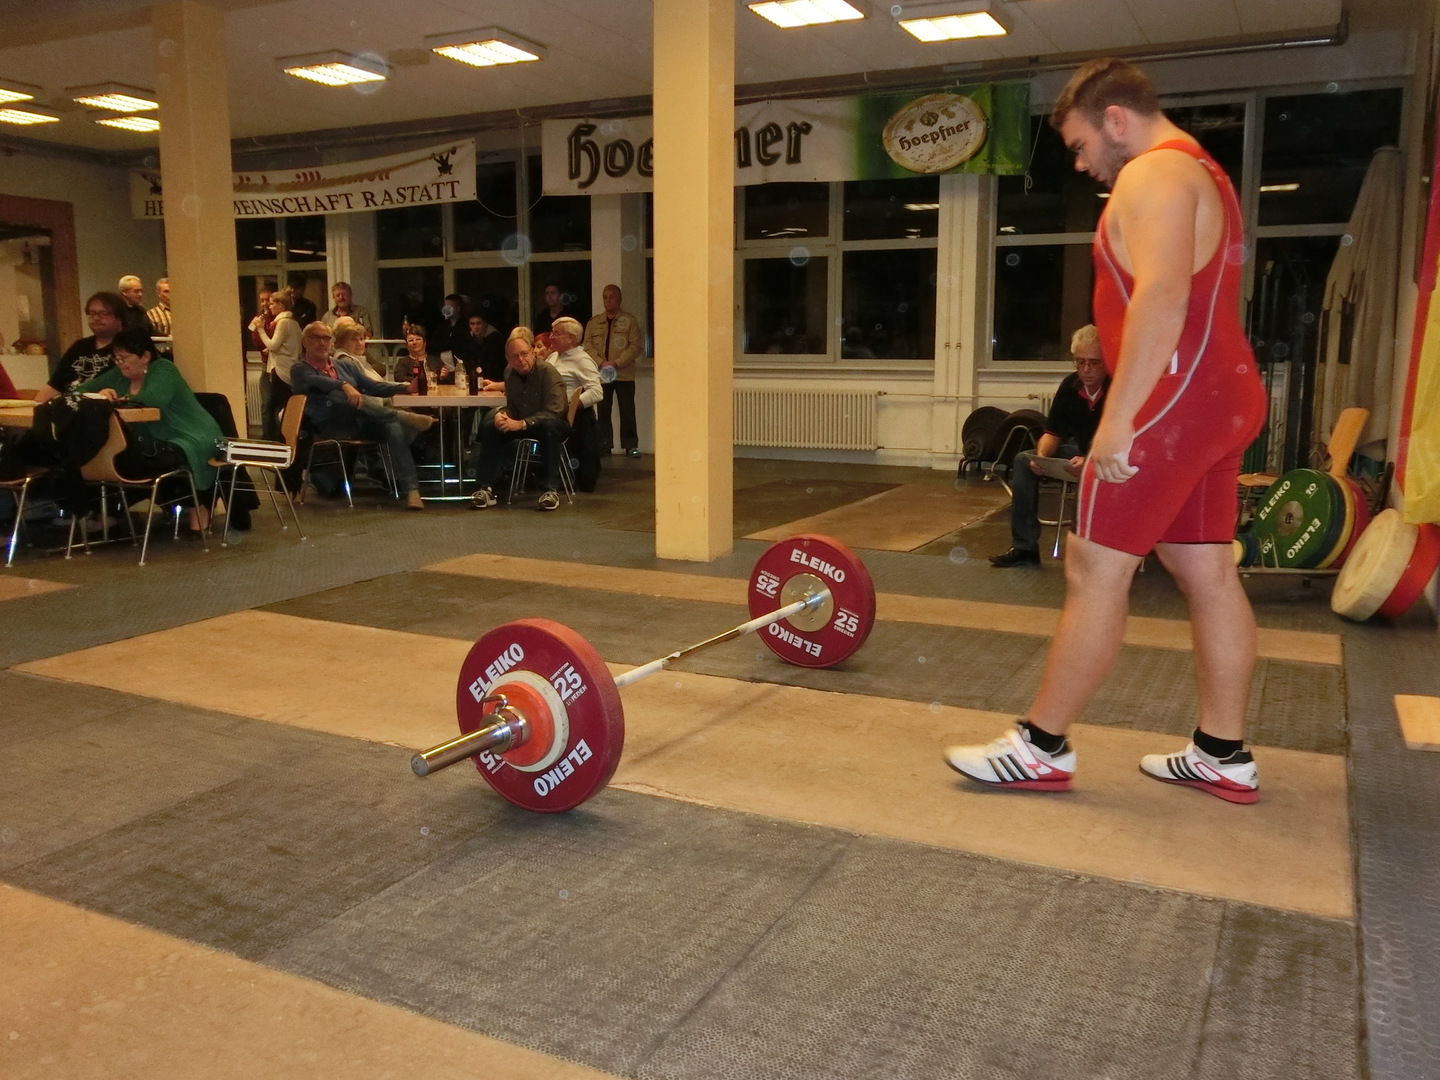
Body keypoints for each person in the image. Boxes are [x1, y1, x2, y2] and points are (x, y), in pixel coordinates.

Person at [945, 58, 1268, 804]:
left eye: (1082, 145)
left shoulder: (1152, 173)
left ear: (1115, 119)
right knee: (1207, 573)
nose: (1082, 164)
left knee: (1093, 566)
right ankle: (1223, 752)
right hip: (1220, 397)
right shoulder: (1203, 170)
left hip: (1172, 403)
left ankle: (1040, 746)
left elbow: (1162, 294)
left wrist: (1119, 419)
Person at [75, 327, 223, 534]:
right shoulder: (120, 374)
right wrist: (100, 393)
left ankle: (198, 508)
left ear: (144, 357)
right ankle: (108, 512)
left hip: (189, 434)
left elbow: (153, 400)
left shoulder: (164, 369)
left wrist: (116, 400)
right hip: (150, 439)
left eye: (124, 358)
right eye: (116, 358)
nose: (119, 363)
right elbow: (79, 392)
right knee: (108, 455)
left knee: (154, 458)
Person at [990, 324, 1110, 567]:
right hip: (1080, 451)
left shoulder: (1119, 386)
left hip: (1112, 455)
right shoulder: (1070, 386)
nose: (1086, 369)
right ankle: (1025, 547)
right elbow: (1053, 432)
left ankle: (1088, 551)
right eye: (1080, 362)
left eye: (1094, 362)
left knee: (1091, 470)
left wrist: (1091, 460)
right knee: (1023, 461)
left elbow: (1128, 437)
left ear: (1107, 361)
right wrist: (1042, 457)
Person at [289, 321, 427, 510]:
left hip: (360, 423)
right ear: (305, 342)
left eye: (326, 338)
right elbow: (317, 381)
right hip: (330, 426)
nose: (321, 343)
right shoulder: (299, 369)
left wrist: (405, 388)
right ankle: (401, 416)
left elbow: (372, 386)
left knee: (391, 426)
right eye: (315, 338)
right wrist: (343, 385)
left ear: (331, 342)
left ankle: (412, 490)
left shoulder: (344, 365)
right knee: (337, 395)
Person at [468, 328, 569, 512]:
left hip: (549, 422)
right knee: (491, 427)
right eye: (514, 356)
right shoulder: (509, 373)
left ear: (532, 352)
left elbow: (556, 409)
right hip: (522, 422)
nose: (520, 359)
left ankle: (550, 490)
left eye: (524, 354)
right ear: (508, 359)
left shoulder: (548, 371)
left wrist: (522, 423)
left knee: (550, 428)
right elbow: (513, 406)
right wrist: (502, 414)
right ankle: (486, 488)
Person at [582, 284, 644, 457]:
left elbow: (636, 346)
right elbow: (588, 346)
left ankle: (631, 445)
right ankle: (604, 445)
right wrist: (601, 363)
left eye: (612, 297)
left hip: (624, 374)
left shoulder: (629, 321)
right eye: (605, 297)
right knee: (603, 411)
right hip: (602, 374)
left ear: (619, 299)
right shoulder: (594, 323)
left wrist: (616, 363)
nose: (608, 301)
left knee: (627, 411)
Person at [36, 291, 126, 403]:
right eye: (92, 313)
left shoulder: (127, 348)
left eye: (103, 313)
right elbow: (55, 385)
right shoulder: (80, 346)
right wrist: (36, 406)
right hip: (68, 405)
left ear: (119, 317)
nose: (96, 318)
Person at [251, 287, 301, 442]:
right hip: (289, 367)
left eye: (272, 303)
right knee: (281, 405)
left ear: (280, 305)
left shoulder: (283, 323)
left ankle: (281, 440)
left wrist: (260, 330)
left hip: (281, 369)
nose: (270, 306)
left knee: (279, 406)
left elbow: (273, 345)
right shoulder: (293, 322)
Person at [465, 311, 505, 385]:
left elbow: (496, 366)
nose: (475, 327)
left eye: (479, 323)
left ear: (485, 323)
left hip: (494, 381)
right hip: (476, 381)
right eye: (472, 324)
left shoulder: (495, 338)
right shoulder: (469, 338)